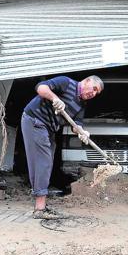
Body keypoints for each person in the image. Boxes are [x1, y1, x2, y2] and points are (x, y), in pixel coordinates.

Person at [21, 75, 104, 218]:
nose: (94, 94)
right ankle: (39, 209)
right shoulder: (66, 83)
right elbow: (41, 87)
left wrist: (82, 132)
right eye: (94, 89)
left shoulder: (82, 103)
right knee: (43, 162)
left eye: (97, 93)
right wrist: (55, 98)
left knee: (47, 163)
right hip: (35, 120)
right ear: (87, 81)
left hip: (49, 128)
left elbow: (76, 124)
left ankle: (41, 204)